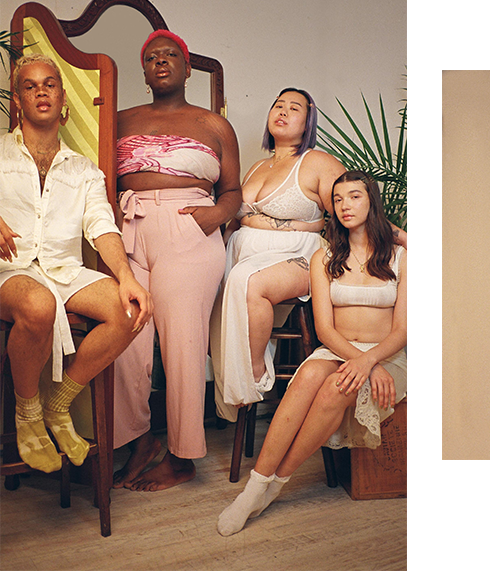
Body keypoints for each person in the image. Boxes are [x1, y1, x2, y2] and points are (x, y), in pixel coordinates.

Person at [217, 169, 406, 536]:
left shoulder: (399, 257)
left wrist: (370, 363)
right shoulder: (325, 256)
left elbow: (401, 331)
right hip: (338, 349)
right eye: (337, 199)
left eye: (355, 196)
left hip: (386, 356)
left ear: (372, 202)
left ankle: (275, 485)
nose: (345, 205)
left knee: (338, 386)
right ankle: (254, 488)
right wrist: (358, 359)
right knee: (307, 376)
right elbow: (324, 330)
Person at [0, 54, 152, 473]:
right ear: (18, 100)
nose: (41, 91)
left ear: (63, 97)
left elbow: (102, 226)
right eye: (30, 86)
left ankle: (58, 403)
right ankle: (27, 413)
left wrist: (127, 278)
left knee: (129, 310)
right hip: (11, 272)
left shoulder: (85, 170)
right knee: (38, 305)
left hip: (63, 270)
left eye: (49, 83)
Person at [112, 29, 242, 490]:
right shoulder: (120, 119)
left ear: (187, 69)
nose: (160, 61)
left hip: (188, 229)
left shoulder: (213, 125)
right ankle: (138, 440)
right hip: (130, 230)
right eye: (151, 57)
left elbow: (233, 192)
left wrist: (212, 218)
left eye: (171, 55)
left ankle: (183, 456)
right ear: (144, 72)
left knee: (183, 345)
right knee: (125, 339)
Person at [209, 88, 343, 422]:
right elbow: (236, 219)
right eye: (278, 105)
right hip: (243, 251)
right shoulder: (257, 166)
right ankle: (224, 385)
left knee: (248, 281)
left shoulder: (317, 162)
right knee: (215, 282)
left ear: (308, 120)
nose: (283, 111)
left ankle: (255, 375)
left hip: (298, 254)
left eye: (294, 107)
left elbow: (349, 209)